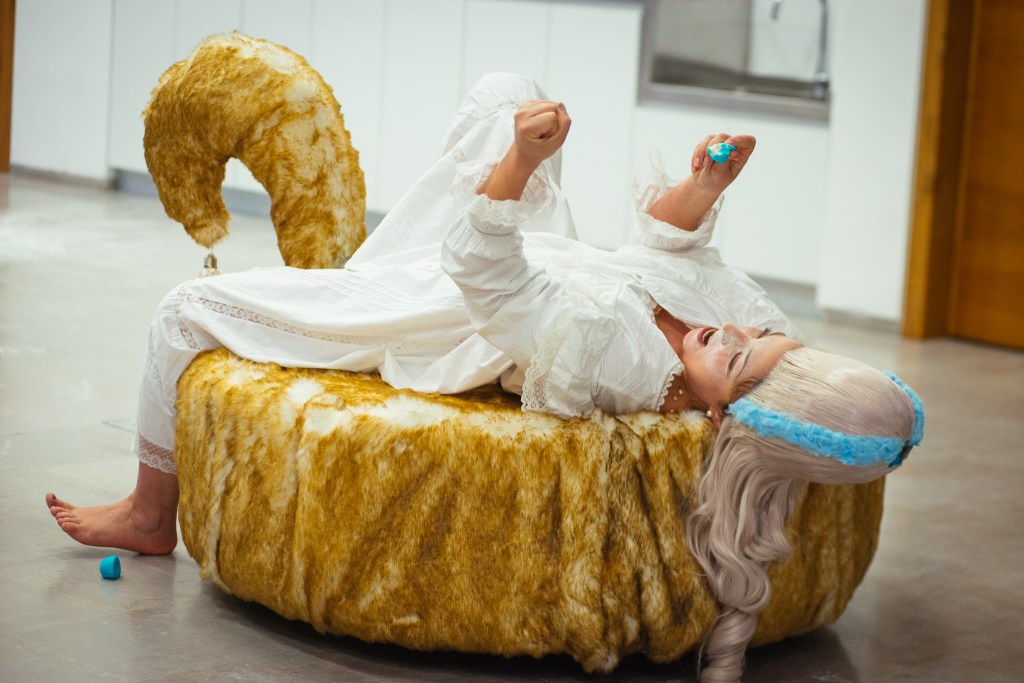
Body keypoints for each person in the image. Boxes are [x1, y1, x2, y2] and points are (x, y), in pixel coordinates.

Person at [45, 74, 923, 681]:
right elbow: (666, 250)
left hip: (445, 301)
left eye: (733, 355)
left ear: (722, 416)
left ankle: (150, 513)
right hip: (546, 251)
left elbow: (486, 277)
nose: (726, 330)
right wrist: (705, 185)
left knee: (181, 311)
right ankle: (416, 215)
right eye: (753, 336)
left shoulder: (614, 362)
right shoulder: (743, 340)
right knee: (506, 93)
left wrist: (522, 166)